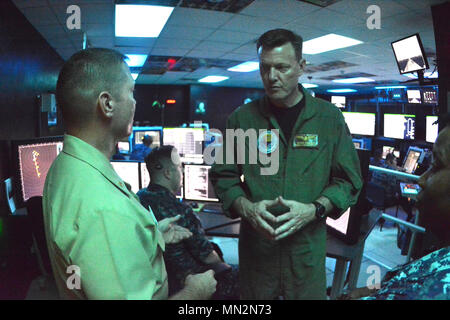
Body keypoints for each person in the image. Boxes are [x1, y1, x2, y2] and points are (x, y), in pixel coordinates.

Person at [43, 48, 216, 299]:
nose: (135, 102)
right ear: (107, 104)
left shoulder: (67, 166)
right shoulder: (103, 207)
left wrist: (152, 236)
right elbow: (104, 222)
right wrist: (194, 293)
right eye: (131, 91)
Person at [210, 29, 363, 299]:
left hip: (306, 257)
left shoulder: (329, 119)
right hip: (257, 257)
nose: (271, 77)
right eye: (265, 68)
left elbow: (348, 181)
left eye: (281, 67)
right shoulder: (242, 120)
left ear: (301, 67)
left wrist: (314, 209)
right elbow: (224, 177)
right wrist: (247, 208)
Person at [341, 117, 450, 300]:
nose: (422, 180)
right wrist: (373, 290)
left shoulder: (436, 289)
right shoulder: (439, 251)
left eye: (435, 165)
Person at [137, 146, 240, 300]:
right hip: (192, 281)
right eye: (180, 167)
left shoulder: (138, 198)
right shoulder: (181, 211)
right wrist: (224, 266)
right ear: (167, 173)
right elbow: (208, 257)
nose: (183, 172)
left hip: (160, 280)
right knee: (246, 274)